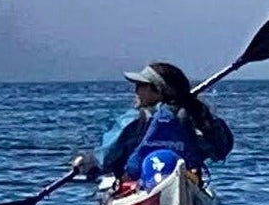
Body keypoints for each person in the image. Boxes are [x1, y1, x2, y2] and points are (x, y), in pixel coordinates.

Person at [74, 60, 233, 191]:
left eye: (140, 86)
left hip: (136, 188)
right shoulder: (196, 117)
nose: (135, 91)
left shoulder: (134, 119)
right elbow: (220, 151)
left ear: (157, 91)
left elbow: (106, 157)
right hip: (188, 185)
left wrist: (87, 162)